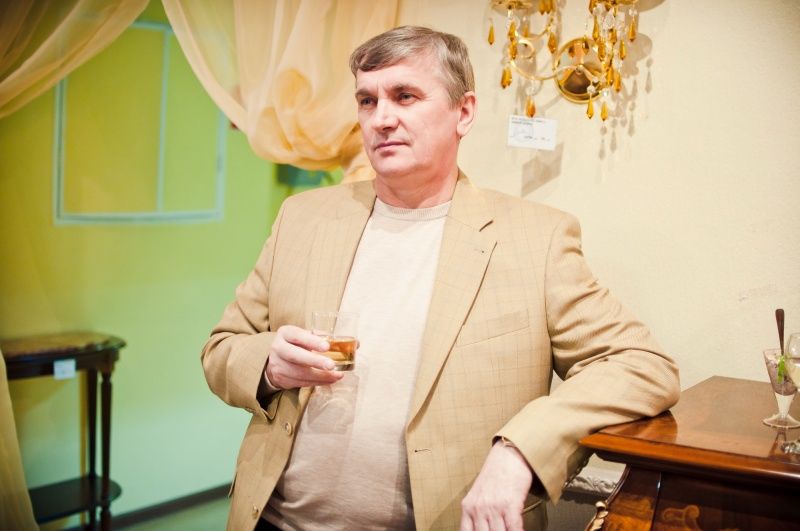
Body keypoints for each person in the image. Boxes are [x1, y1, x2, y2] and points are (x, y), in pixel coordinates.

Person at [202, 25, 680, 531]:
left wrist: (522, 447)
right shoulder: (303, 218)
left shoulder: (536, 239)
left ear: (464, 112)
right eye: (367, 101)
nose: (381, 118)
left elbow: (641, 365)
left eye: (405, 96)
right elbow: (221, 349)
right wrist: (269, 366)